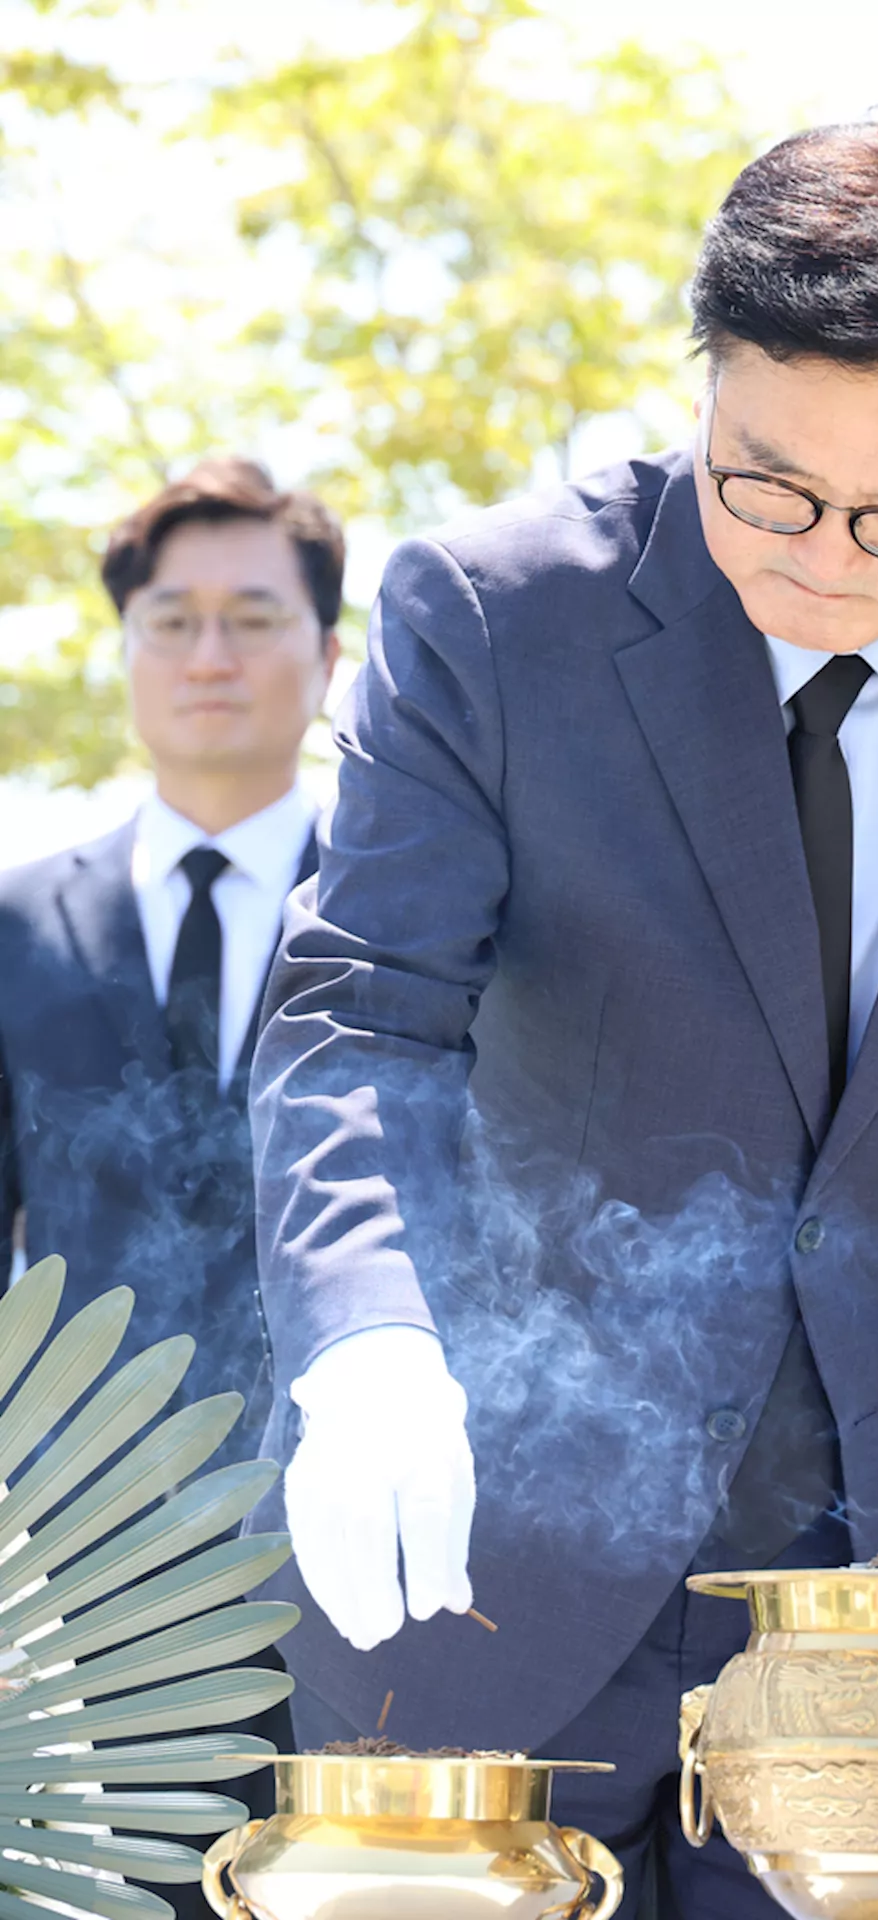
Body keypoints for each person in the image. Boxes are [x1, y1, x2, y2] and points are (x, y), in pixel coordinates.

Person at [250, 117, 878, 1915]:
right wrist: (366, 1342)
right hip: (483, 1569)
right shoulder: (494, 612)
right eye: (763, 484)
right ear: (704, 378)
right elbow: (360, 1015)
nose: (820, 560)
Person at [0, 455, 342, 1916]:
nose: (212, 654)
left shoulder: (415, 914)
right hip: (79, 1589)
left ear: (329, 654)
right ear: (127, 647)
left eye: (256, 617)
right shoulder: (15, 924)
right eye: (174, 617)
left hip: (351, 1567)